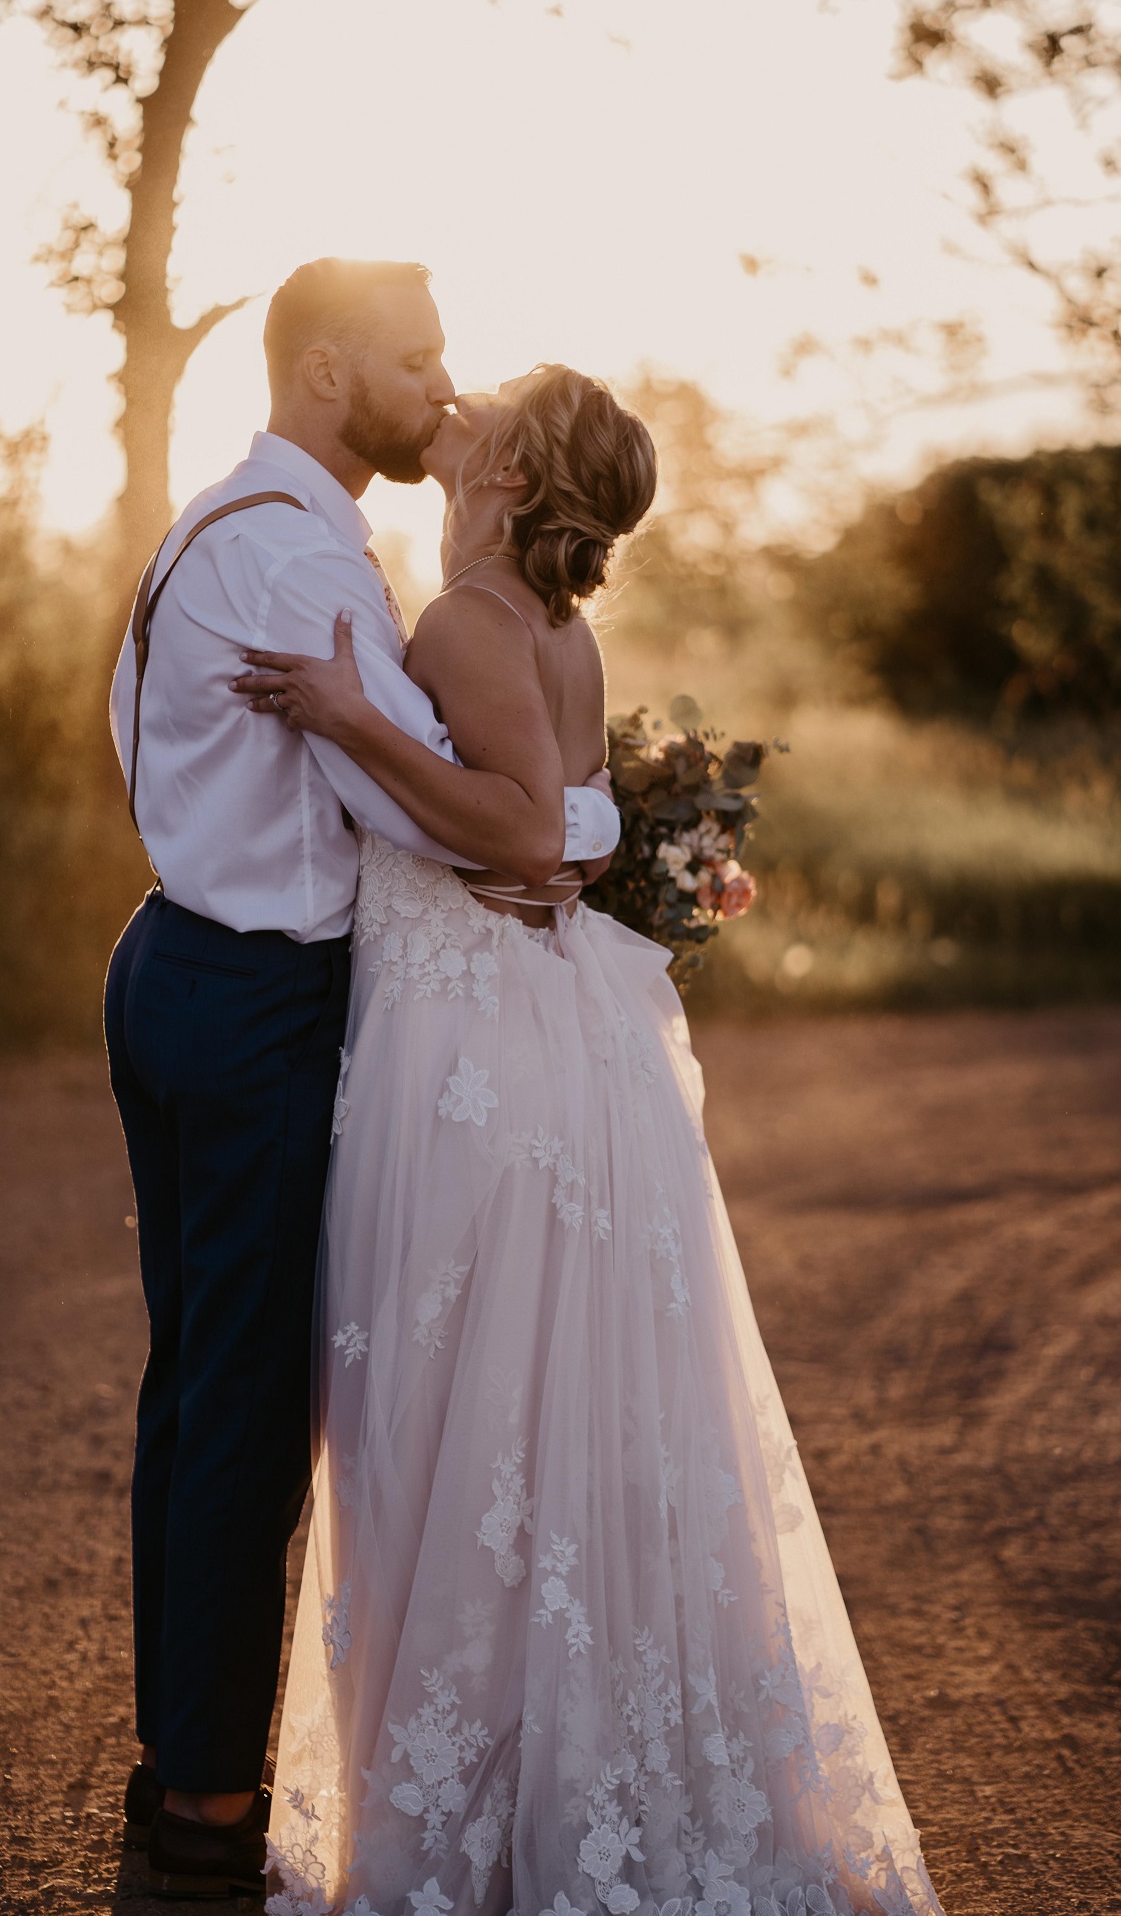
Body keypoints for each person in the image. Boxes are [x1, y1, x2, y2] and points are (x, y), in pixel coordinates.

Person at [237, 366, 946, 1916]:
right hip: (523, 1028)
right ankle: (545, 1787)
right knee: (526, 1418)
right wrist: (555, 843)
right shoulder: (555, 628)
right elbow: (578, 824)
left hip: (468, 1046)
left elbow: (510, 824)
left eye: (486, 407)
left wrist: (354, 713)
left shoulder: (466, 626)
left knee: (448, 1413)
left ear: (503, 474)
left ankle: (474, 1832)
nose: (458, 403)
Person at [104, 260, 621, 1901]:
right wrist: (606, 828)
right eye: (416, 362)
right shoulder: (289, 553)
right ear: (327, 375)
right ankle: (197, 1807)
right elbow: (450, 810)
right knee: (241, 1406)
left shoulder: (235, 525)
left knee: (202, 1382)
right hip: (249, 993)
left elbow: (147, 734)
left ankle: (184, 1768)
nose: (441, 389)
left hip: (185, 953)